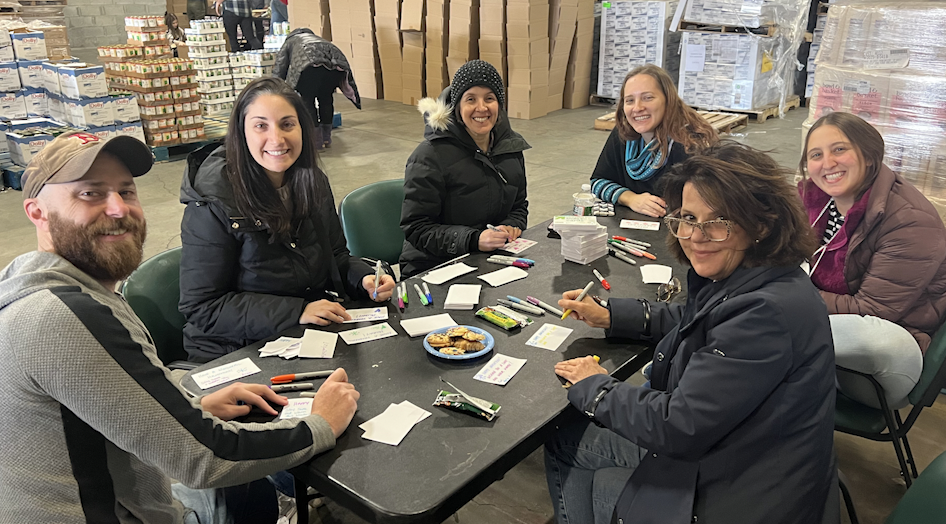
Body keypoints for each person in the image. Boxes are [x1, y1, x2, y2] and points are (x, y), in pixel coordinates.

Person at [0, 130, 360, 522]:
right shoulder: (63, 316)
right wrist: (321, 424)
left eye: (127, 191)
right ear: (37, 212)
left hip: (134, 489)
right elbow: (205, 457)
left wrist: (194, 406)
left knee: (249, 493)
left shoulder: (48, 290)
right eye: (91, 193)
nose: (119, 208)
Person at [546, 142, 836, 524]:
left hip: (737, 490)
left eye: (719, 220)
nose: (696, 235)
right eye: (687, 218)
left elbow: (678, 426)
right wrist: (610, 315)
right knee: (574, 439)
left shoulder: (765, 312)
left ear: (762, 224)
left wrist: (596, 387)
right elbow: (700, 319)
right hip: (752, 459)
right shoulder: (763, 276)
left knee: (567, 443)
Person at [179, 77, 394, 363]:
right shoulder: (212, 200)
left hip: (299, 336)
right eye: (261, 126)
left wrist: (363, 278)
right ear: (241, 133)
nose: (277, 139)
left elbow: (336, 256)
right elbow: (203, 307)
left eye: (287, 124)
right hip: (234, 350)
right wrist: (297, 311)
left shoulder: (312, 182)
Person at [800, 112, 946, 409]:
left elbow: (874, 309)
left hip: (891, 354)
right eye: (816, 154)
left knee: (774, 315)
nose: (827, 163)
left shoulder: (908, 219)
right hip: (831, 341)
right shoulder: (817, 202)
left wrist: (790, 298)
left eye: (839, 149)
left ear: (868, 155)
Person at [399, 60, 529, 277]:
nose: (482, 108)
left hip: (487, 261)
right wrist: (473, 239)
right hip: (434, 267)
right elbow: (417, 228)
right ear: (457, 107)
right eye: (471, 99)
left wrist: (511, 225)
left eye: (490, 98)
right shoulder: (430, 155)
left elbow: (519, 205)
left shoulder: (510, 148)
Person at [590, 64, 717, 217]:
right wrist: (631, 199)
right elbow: (598, 181)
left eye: (647, 98)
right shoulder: (624, 132)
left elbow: (707, 204)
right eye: (630, 100)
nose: (637, 108)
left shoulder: (690, 145)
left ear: (668, 100)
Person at [274, 28, 361, 150]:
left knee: (307, 100)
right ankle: (326, 137)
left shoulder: (290, 41)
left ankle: (316, 141)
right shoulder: (319, 40)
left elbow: (280, 67)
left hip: (310, 65)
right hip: (335, 67)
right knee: (326, 98)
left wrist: (273, 88)